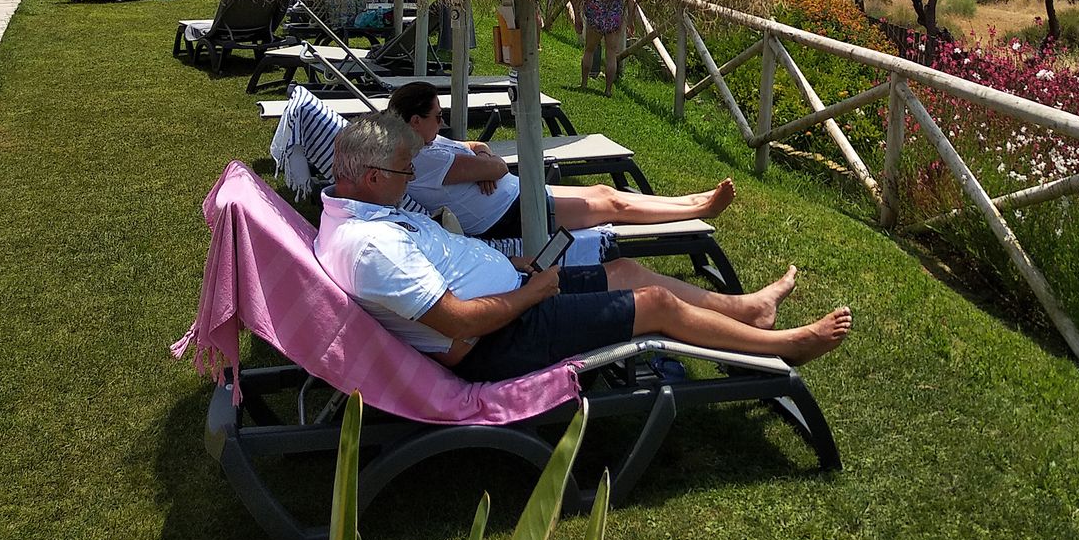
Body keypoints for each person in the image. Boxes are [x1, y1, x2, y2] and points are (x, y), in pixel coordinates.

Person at [314, 113, 851, 381]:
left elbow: (442, 277)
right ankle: (783, 347)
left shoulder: (364, 216)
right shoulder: (368, 246)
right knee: (655, 306)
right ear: (366, 175)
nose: (410, 179)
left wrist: (511, 264)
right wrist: (533, 291)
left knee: (626, 270)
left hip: (514, 291)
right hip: (502, 338)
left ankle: (747, 309)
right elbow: (457, 326)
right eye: (402, 172)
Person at [387, 81, 733, 243]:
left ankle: (690, 200)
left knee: (601, 189)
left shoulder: (425, 141)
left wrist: (481, 157)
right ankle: (698, 209)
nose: (442, 121)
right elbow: (499, 168)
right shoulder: (422, 159)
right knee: (610, 203)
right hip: (510, 216)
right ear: (415, 121)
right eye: (436, 116)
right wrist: (485, 166)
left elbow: (478, 146)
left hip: (513, 199)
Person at [578, 0, 637, 96]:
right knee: (611, 53)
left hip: (596, 7)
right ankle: (608, 90)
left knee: (589, 49)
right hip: (614, 9)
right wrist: (630, 21)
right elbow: (631, 1)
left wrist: (578, 17)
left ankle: (584, 84)